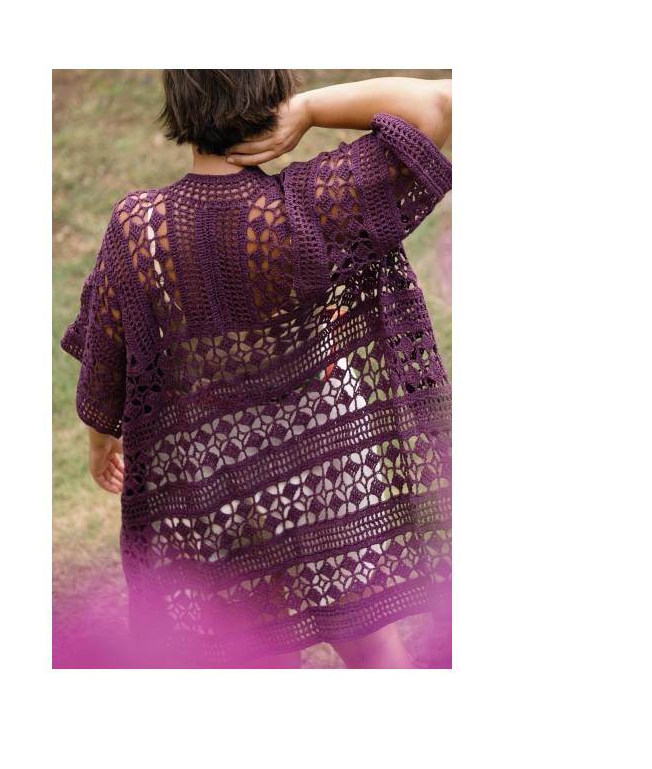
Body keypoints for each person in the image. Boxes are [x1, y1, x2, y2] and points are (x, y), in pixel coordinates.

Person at [60, 70, 452, 668]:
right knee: (369, 639)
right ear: (273, 102)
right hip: (324, 452)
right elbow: (438, 103)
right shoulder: (309, 205)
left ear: (179, 108)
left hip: (215, 470)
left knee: (245, 646)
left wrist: (100, 441)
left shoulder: (139, 226)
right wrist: (312, 109)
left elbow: (111, 351)